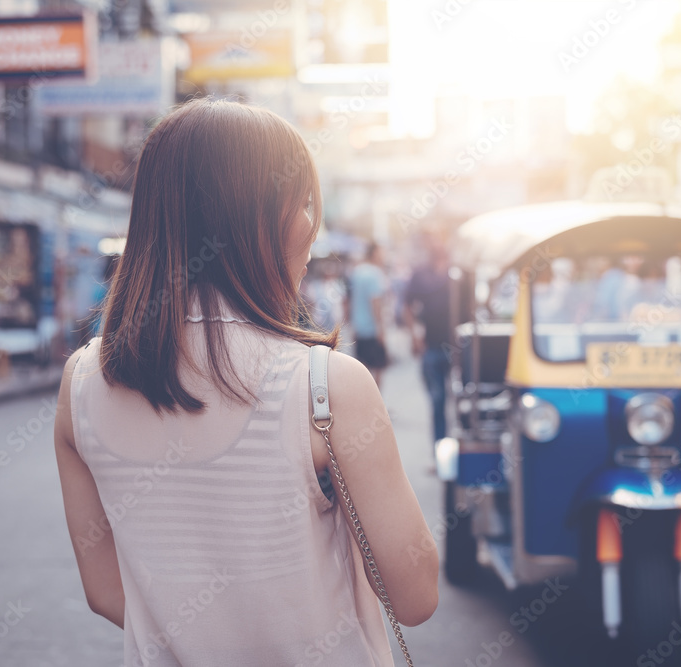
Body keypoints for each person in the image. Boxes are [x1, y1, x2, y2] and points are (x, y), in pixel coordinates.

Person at [53, 99, 438, 667]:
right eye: (303, 202)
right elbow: (416, 596)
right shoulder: (326, 385)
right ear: (265, 216)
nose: (313, 224)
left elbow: (108, 591)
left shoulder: (80, 384)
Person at [405, 244, 452, 444]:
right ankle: (441, 450)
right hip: (432, 346)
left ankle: (460, 451)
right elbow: (407, 305)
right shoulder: (421, 275)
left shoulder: (459, 272)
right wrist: (415, 337)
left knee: (461, 402)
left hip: (458, 347)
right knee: (437, 399)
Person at [348, 242, 389, 386]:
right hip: (372, 330)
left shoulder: (356, 271)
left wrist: (351, 325)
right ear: (374, 253)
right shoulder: (375, 273)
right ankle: (376, 405)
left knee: (363, 370)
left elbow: (350, 300)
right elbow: (375, 302)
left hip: (359, 328)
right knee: (378, 369)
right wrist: (381, 329)